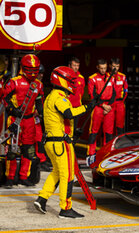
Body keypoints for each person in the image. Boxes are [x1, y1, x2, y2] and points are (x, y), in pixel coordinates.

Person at [34, 66, 97, 219]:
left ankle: (42, 199)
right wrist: (87, 107)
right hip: (60, 143)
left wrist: (74, 131)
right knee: (67, 175)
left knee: (56, 172)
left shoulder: (51, 96)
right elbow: (69, 113)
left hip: (52, 142)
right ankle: (65, 208)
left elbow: (60, 118)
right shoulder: (59, 97)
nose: (72, 84)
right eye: (70, 81)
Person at [3, 54, 44, 189]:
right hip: (15, 120)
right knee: (12, 151)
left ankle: (23, 177)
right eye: (30, 69)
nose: (32, 73)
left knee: (28, 150)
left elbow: (39, 100)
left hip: (30, 121)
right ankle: (9, 178)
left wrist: (41, 112)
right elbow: (5, 98)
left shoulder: (38, 84)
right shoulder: (14, 81)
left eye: (35, 70)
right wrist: (12, 110)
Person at [87, 59, 115, 158]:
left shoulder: (111, 77)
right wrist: (103, 105)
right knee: (94, 131)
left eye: (105, 68)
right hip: (98, 107)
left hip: (109, 107)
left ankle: (106, 153)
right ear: (97, 67)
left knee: (108, 132)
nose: (103, 70)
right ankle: (91, 153)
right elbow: (92, 95)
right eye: (101, 68)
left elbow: (114, 93)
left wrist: (109, 106)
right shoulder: (92, 78)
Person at [67, 57, 85, 137]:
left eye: (77, 65)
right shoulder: (65, 76)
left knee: (74, 130)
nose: (76, 67)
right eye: (74, 65)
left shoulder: (81, 78)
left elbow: (82, 92)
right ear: (69, 65)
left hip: (76, 108)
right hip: (66, 108)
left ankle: (72, 147)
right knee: (66, 129)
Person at [110, 58, 128, 135]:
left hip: (120, 103)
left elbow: (126, 90)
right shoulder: (106, 76)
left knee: (120, 125)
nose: (115, 68)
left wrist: (121, 100)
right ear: (110, 66)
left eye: (117, 66)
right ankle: (105, 145)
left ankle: (119, 144)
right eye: (113, 66)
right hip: (109, 104)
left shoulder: (123, 77)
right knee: (108, 125)